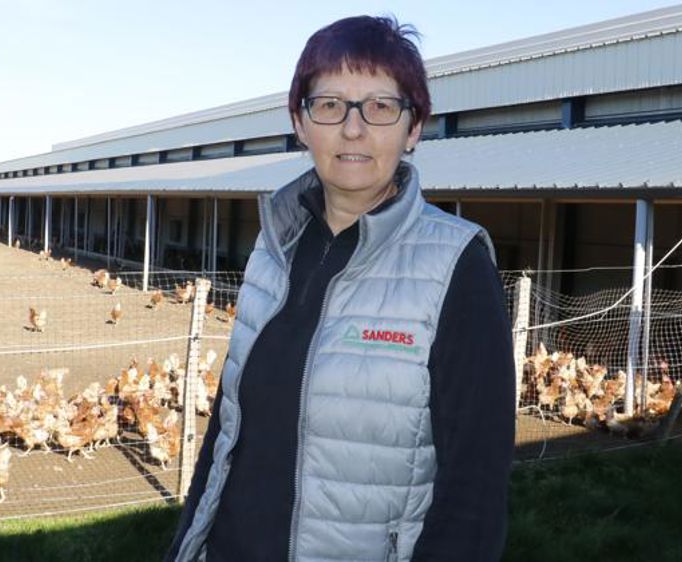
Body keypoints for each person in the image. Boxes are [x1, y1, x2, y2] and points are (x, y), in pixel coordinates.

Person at [166, 15, 514, 562]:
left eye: (380, 106)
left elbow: (475, 494)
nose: (353, 129)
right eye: (329, 105)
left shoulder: (457, 266)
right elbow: (228, 428)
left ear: (415, 127)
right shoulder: (272, 246)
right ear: (301, 123)